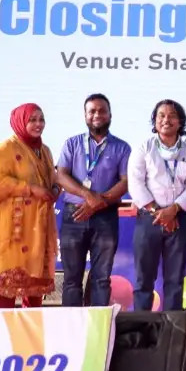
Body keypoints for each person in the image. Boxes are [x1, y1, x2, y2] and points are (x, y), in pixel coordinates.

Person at [0, 104, 59, 308]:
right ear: (20, 122)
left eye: (41, 119)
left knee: (34, 288)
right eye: (32, 120)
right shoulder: (4, 149)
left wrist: (55, 189)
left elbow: (52, 178)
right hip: (13, 228)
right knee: (7, 285)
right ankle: (0, 328)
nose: (38, 124)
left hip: (37, 228)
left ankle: (30, 329)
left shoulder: (45, 150)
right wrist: (31, 189)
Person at [54, 94, 131, 307]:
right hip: (74, 214)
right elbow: (61, 175)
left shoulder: (122, 148)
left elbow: (126, 182)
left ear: (110, 115)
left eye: (102, 110)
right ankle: (71, 325)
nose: (97, 115)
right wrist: (87, 196)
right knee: (71, 280)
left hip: (105, 216)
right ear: (85, 116)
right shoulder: (72, 144)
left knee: (101, 280)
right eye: (92, 111)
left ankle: (99, 326)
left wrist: (99, 203)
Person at [127, 99, 186, 313]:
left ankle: (171, 328)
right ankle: (142, 326)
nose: (166, 120)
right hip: (148, 218)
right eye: (161, 115)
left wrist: (173, 211)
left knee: (175, 279)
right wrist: (158, 213)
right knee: (144, 279)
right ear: (155, 120)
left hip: (178, 219)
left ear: (180, 122)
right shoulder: (144, 148)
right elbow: (135, 183)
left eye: (172, 116)